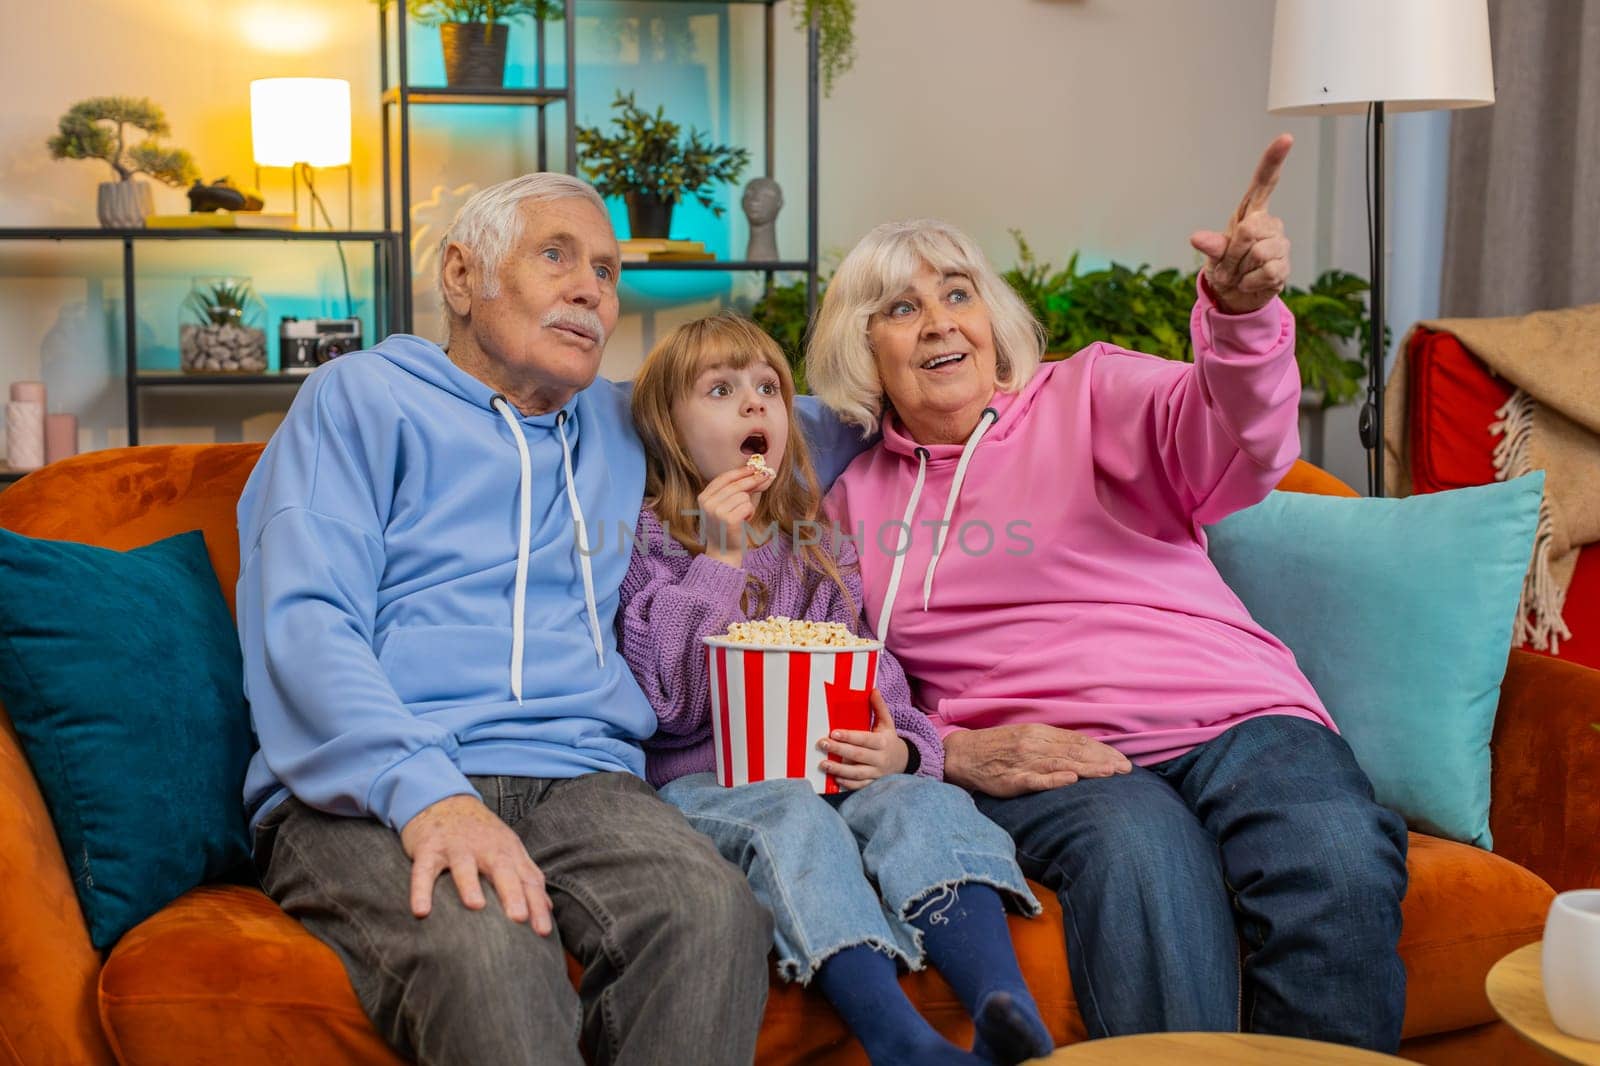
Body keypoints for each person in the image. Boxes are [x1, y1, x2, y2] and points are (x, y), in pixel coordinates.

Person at [807, 135, 1411, 1052]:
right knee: (1143, 861)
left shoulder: (1090, 390)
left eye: (957, 293)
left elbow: (1232, 437)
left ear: (992, 317)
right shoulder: (850, 506)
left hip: (1233, 713)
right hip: (1051, 757)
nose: (938, 322)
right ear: (863, 349)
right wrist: (954, 752)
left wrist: (1241, 317)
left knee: (1331, 852)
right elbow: (848, 690)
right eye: (901, 307)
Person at [235, 173, 774, 1066]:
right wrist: (429, 793)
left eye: (605, 271)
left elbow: (795, 412)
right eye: (556, 256)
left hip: (584, 779)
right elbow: (306, 624)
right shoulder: (360, 399)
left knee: (711, 915)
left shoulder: (624, 420)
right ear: (460, 278)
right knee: (486, 951)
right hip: (373, 780)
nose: (590, 289)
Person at [616, 311, 1054, 1066]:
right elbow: (669, 702)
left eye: (768, 389)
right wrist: (717, 561)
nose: (755, 404)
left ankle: (1003, 1014)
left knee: (920, 803)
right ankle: (899, 1040)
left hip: (831, 767)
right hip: (712, 783)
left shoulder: (812, 545)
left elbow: (868, 666)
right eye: (720, 390)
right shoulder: (649, 541)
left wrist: (903, 750)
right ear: (667, 430)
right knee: (794, 819)